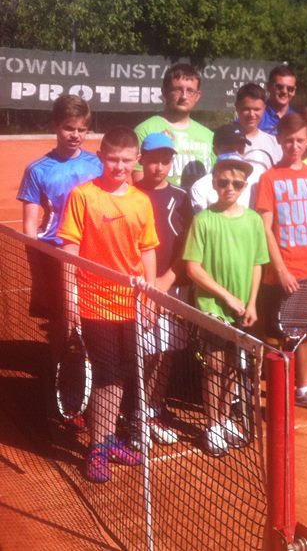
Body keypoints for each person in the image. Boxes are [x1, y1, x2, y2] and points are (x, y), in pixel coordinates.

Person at [58, 126, 159, 482]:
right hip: (94, 302)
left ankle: (108, 438)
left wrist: (149, 297)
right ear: (101, 157)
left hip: (130, 304)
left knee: (124, 373)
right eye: (113, 159)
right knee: (106, 375)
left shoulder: (141, 201)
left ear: (137, 160)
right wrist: (70, 298)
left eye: (126, 160)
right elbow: (69, 250)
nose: (119, 166)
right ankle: (98, 448)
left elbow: (147, 250)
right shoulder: (83, 196)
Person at [182, 153, 270, 455]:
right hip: (213, 309)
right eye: (223, 182)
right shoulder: (203, 220)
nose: (229, 188)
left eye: (236, 183)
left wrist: (252, 303)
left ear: (244, 186)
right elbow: (193, 269)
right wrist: (227, 297)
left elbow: (258, 263)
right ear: (214, 183)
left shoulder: (253, 220)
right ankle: (213, 425)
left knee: (234, 365)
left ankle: (224, 417)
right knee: (215, 367)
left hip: (244, 311)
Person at [256, 113, 307, 413]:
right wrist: (280, 269)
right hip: (280, 275)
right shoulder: (269, 178)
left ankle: (303, 389)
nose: (295, 146)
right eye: (289, 140)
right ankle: (278, 395)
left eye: (300, 140)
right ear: (280, 140)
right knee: (275, 338)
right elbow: (265, 228)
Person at [18, 95, 102, 328]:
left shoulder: (98, 165)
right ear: (55, 126)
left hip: (91, 252)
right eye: (69, 128)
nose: (76, 135)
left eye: (82, 130)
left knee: (91, 315)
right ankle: (60, 351)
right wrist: (36, 267)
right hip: (52, 252)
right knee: (58, 319)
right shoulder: (36, 170)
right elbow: (29, 226)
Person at [133, 132, 194, 448]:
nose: (159, 167)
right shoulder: (129, 194)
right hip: (138, 288)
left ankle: (154, 410)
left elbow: (189, 245)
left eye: (165, 160)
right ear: (141, 160)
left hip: (172, 286)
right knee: (141, 353)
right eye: (153, 160)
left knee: (165, 351)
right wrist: (147, 284)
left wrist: (167, 279)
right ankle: (136, 414)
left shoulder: (182, 197)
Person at [134, 62, 214, 189]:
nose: (184, 96)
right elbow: (138, 181)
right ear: (164, 92)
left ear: (197, 96)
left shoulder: (209, 135)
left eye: (190, 91)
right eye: (177, 89)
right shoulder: (145, 130)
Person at [189, 123, 264, 212]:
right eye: (230, 149)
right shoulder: (201, 187)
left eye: (240, 149)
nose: (235, 154)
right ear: (215, 150)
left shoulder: (255, 183)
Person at [234, 82, 282, 172]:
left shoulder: (274, 143)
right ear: (237, 107)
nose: (251, 114)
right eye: (246, 109)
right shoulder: (224, 140)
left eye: (256, 109)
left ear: (264, 108)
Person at [260, 64, 298, 135]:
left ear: (294, 91)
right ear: (268, 87)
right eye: (279, 87)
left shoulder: (297, 119)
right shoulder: (256, 115)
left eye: (290, 89)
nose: (284, 91)